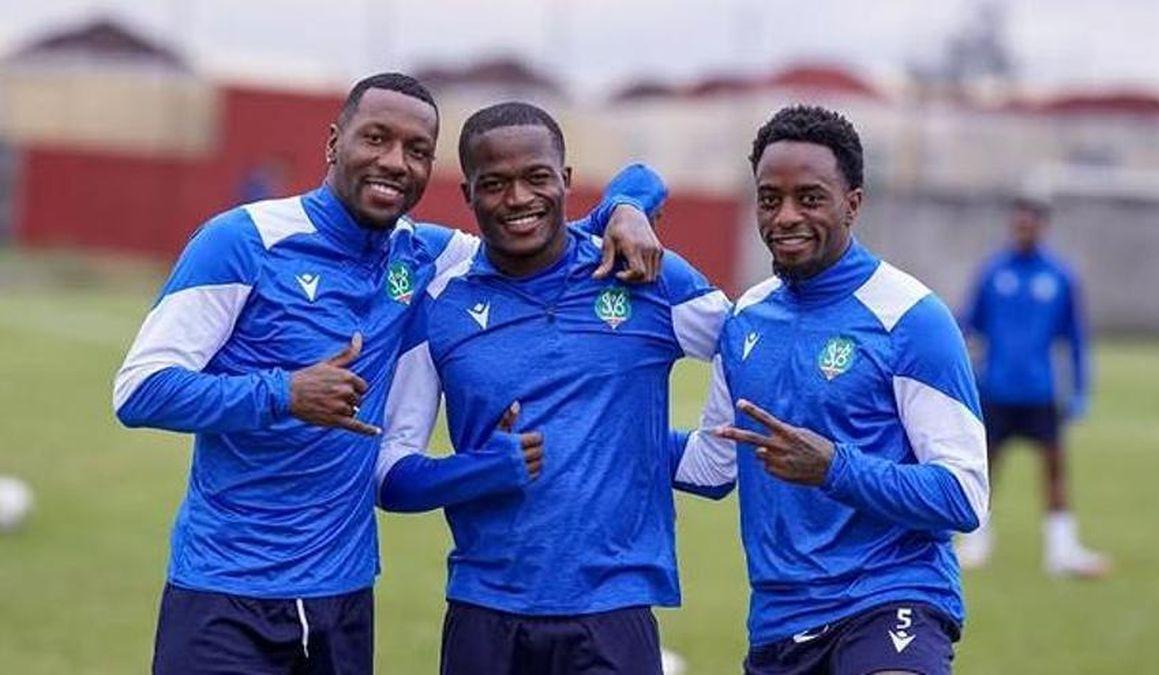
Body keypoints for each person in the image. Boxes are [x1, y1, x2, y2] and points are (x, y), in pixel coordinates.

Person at [112, 72, 663, 675]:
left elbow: (547, 226)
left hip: (343, 596)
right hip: (224, 588)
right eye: (376, 139)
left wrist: (628, 205)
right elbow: (141, 388)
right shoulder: (244, 240)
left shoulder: (425, 254)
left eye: (417, 150)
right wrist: (285, 393)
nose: (395, 161)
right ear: (334, 142)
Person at [373, 102, 733, 675]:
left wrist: (711, 455)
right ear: (467, 194)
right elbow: (389, 473)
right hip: (484, 611)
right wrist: (479, 470)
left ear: (565, 181)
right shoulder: (441, 303)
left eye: (537, 178)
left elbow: (750, 350)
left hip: (613, 611)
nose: (518, 199)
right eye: (494, 184)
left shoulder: (642, 273)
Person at [675, 104, 988, 674]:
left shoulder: (911, 318)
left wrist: (834, 468)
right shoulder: (746, 317)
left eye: (810, 198)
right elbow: (713, 463)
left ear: (853, 203)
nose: (786, 216)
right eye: (770, 199)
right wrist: (606, 431)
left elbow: (963, 495)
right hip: (780, 619)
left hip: (892, 599)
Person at [956, 197, 1108, 577]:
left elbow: (1074, 339)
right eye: (1018, 224)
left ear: (1042, 227)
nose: (1023, 230)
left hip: (1040, 392)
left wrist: (1080, 391)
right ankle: (976, 542)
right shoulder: (993, 272)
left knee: (1055, 469)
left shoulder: (1059, 276)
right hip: (996, 389)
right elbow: (966, 325)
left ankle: (1062, 551)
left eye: (1030, 224)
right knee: (985, 470)